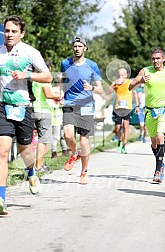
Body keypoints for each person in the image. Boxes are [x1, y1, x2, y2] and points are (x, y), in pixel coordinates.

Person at [0, 15, 53, 215]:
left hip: (24, 107)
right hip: (2, 105)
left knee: (25, 151)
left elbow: (48, 76)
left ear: (22, 33)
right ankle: (1, 199)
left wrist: (27, 74)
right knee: (2, 151)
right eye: (7, 30)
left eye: (13, 31)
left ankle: (31, 172)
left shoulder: (30, 52)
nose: (9, 34)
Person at [61, 36, 103, 184]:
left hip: (86, 105)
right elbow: (63, 81)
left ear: (85, 48)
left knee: (84, 141)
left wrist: (91, 87)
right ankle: (74, 153)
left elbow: (100, 89)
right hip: (70, 103)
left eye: (80, 46)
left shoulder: (92, 65)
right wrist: (61, 93)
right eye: (75, 46)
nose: (77, 49)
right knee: (67, 135)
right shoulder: (65, 63)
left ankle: (84, 172)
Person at [129, 47, 165, 183]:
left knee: (160, 136)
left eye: (158, 58)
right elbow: (130, 87)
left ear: (163, 59)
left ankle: (158, 171)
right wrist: (140, 81)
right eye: (153, 59)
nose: (155, 61)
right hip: (150, 111)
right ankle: (161, 164)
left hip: (164, 110)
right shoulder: (145, 71)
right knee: (154, 143)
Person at [32, 59, 61, 172]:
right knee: (43, 140)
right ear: (48, 68)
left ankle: (39, 164)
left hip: (34, 109)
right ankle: (38, 166)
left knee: (37, 139)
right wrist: (58, 97)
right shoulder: (44, 79)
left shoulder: (33, 79)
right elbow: (48, 94)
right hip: (43, 111)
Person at [111, 68, 139, 154]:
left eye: (122, 75)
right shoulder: (116, 83)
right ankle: (120, 140)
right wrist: (114, 84)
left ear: (126, 75)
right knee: (117, 128)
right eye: (119, 75)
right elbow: (108, 92)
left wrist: (137, 106)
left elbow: (135, 93)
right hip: (118, 108)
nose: (121, 77)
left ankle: (124, 145)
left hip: (127, 108)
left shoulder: (129, 82)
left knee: (126, 126)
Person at [47, 75, 69, 159]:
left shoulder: (52, 90)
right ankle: (54, 152)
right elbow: (62, 102)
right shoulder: (58, 91)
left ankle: (65, 150)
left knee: (62, 134)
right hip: (56, 116)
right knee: (56, 136)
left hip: (58, 115)